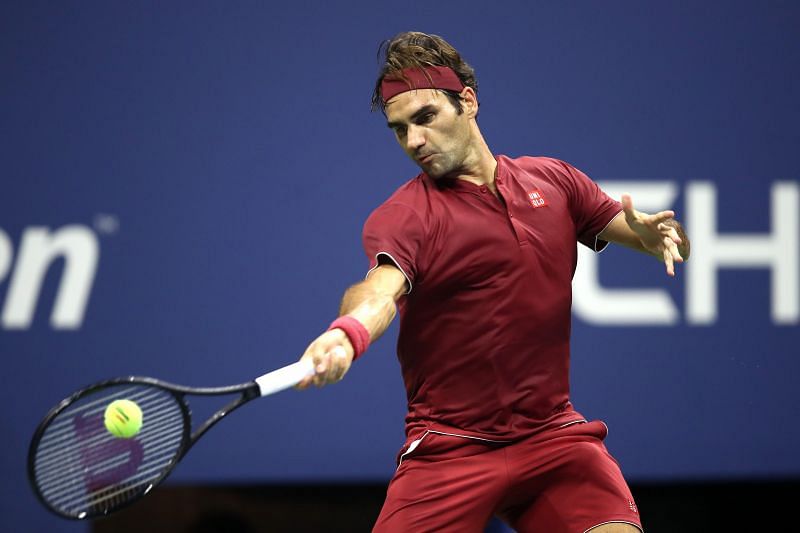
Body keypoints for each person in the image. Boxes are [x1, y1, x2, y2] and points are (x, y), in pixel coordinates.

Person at [296, 31, 689, 533]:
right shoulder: (405, 216)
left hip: (553, 439)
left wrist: (662, 235)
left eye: (425, 118)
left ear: (468, 102)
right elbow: (378, 291)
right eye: (399, 130)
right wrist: (345, 334)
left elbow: (660, 238)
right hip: (449, 452)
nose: (414, 140)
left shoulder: (555, 181)